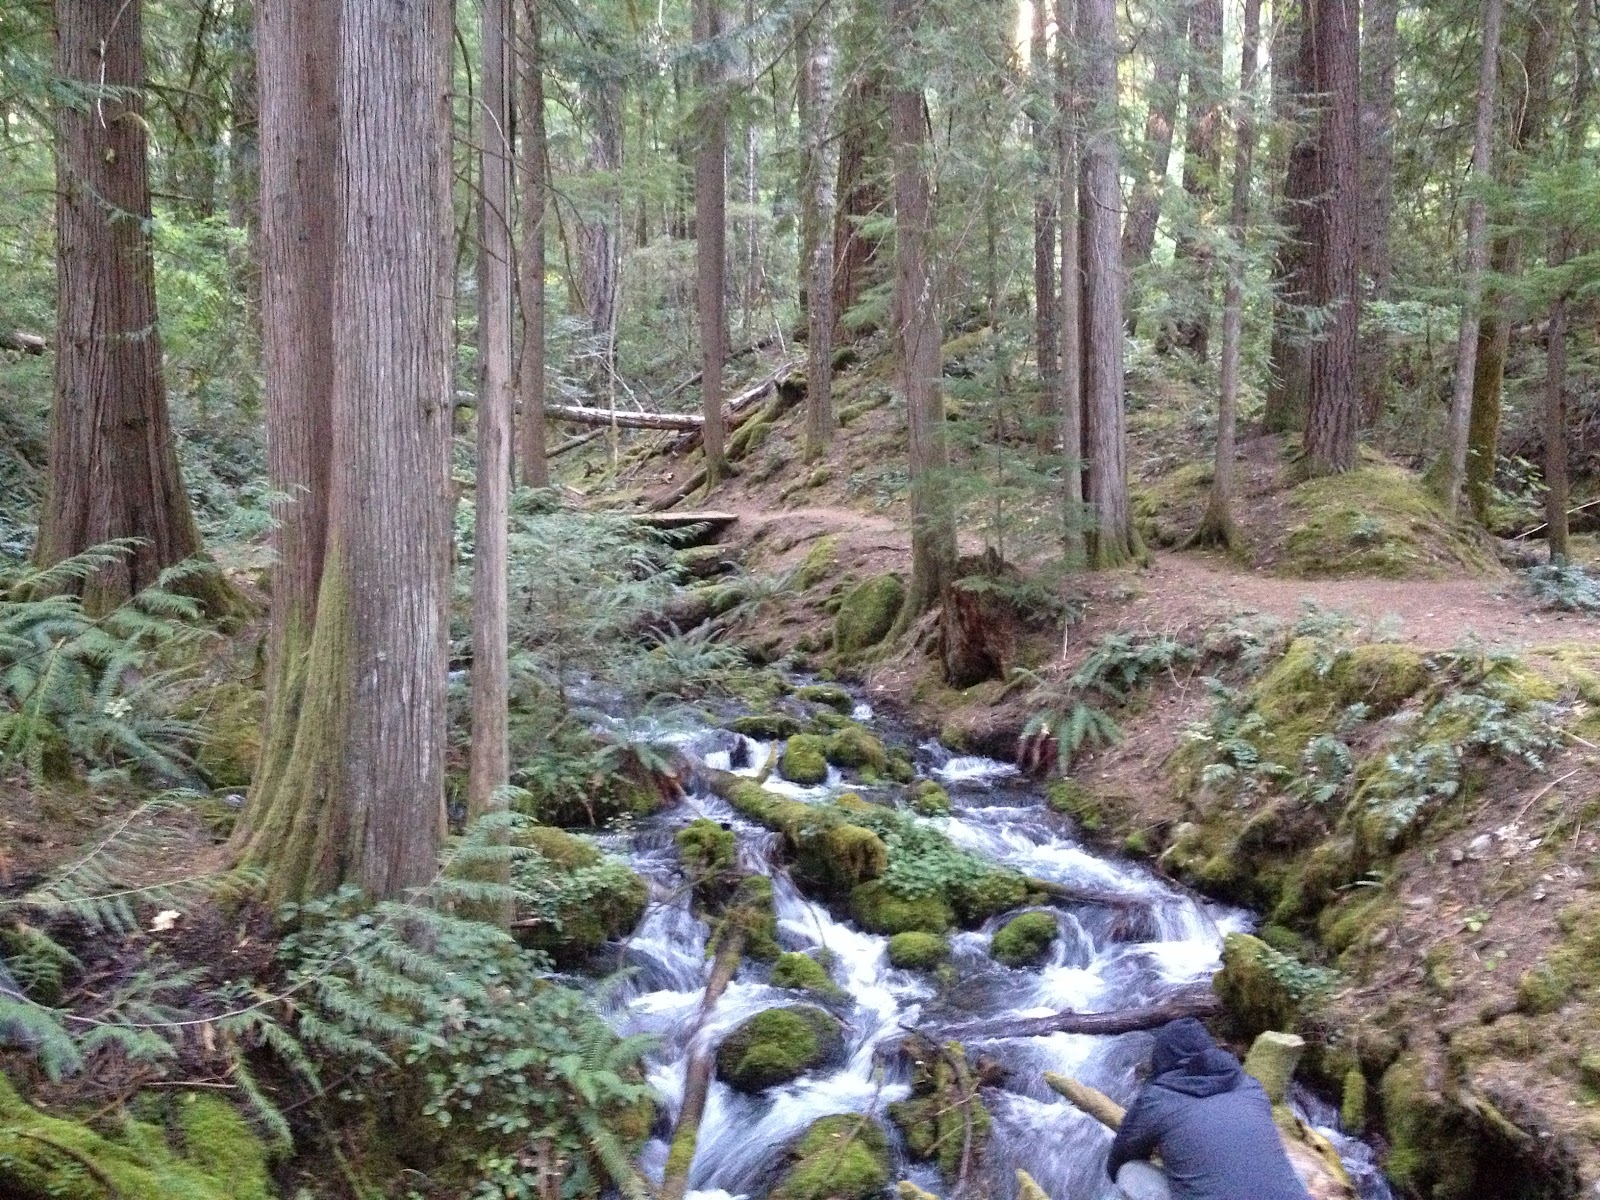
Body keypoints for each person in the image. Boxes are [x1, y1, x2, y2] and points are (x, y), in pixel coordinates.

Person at [1105, 1018, 1312, 1200]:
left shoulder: (1158, 1098)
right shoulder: (1249, 1085)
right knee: (1293, 1176)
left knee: (1128, 1172)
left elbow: (1120, 1158)